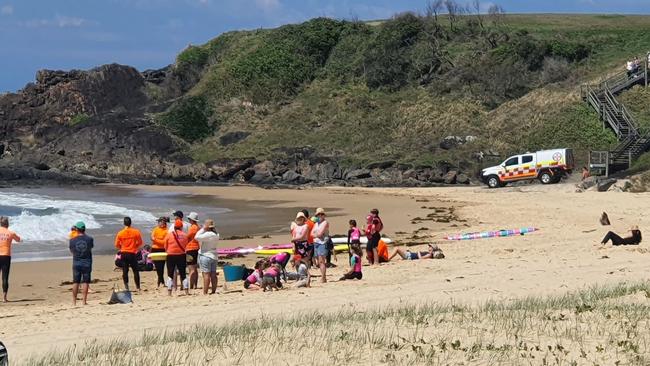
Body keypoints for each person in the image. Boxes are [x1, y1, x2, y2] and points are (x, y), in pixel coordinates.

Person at [114, 217, 143, 291]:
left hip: (124, 253)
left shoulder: (120, 233)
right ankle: (138, 287)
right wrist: (135, 246)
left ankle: (126, 287)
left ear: (124, 223)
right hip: (132, 253)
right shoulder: (136, 232)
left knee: (125, 270)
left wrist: (122, 247)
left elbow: (116, 244)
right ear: (131, 223)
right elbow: (140, 242)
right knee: (135, 270)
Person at [69, 221, 93, 306]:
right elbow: (90, 248)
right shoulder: (90, 239)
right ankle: (84, 301)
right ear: (84, 229)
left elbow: (72, 251)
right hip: (87, 262)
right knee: (85, 282)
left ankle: (74, 302)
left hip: (76, 262)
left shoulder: (72, 240)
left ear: (77, 230)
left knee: (76, 282)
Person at [165, 219, 189, 296]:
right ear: (181, 227)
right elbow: (186, 245)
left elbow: (165, 246)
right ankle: (186, 291)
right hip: (181, 255)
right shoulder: (185, 235)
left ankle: (169, 292)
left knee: (170, 274)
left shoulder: (169, 235)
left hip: (171, 255)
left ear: (174, 227)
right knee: (183, 274)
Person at [195, 219, 219, 295]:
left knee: (206, 274)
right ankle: (213, 290)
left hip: (206, 255)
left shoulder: (208, 234)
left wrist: (203, 229)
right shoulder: (216, 234)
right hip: (213, 255)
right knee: (213, 274)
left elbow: (196, 237)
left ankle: (205, 292)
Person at [0, 216, 20, 303]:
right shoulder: (10, 233)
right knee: (5, 277)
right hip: (6, 256)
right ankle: (4, 298)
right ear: (7, 224)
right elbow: (18, 239)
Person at [311, 208, 330, 283]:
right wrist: (316, 235)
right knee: (318, 261)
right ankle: (323, 276)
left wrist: (316, 234)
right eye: (318, 214)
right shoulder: (316, 224)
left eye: (321, 214)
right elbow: (311, 234)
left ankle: (323, 277)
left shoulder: (325, 222)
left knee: (321, 261)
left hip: (322, 243)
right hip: (316, 242)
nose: (320, 216)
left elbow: (319, 233)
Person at [150, 217, 169, 287]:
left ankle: (160, 281)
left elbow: (164, 242)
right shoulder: (155, 229)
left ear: (163, 222)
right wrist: (155, 240)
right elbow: (151, 237)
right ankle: (161, 280)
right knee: (157, 267)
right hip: (154, 249)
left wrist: (155, 240)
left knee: (161, 266)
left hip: (162, 250)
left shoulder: (167, 231)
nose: (158, 223)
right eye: (158, 222)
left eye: (159, 222)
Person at [186, 212, 200, 290]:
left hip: (190, 248)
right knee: (195, 268)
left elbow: (187, 237)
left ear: (191, 220)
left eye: (189, 219)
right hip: (196, 248)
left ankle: (191, 286)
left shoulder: (193, 228)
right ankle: (195, 285)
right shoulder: (197, 227)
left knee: (191, 268)